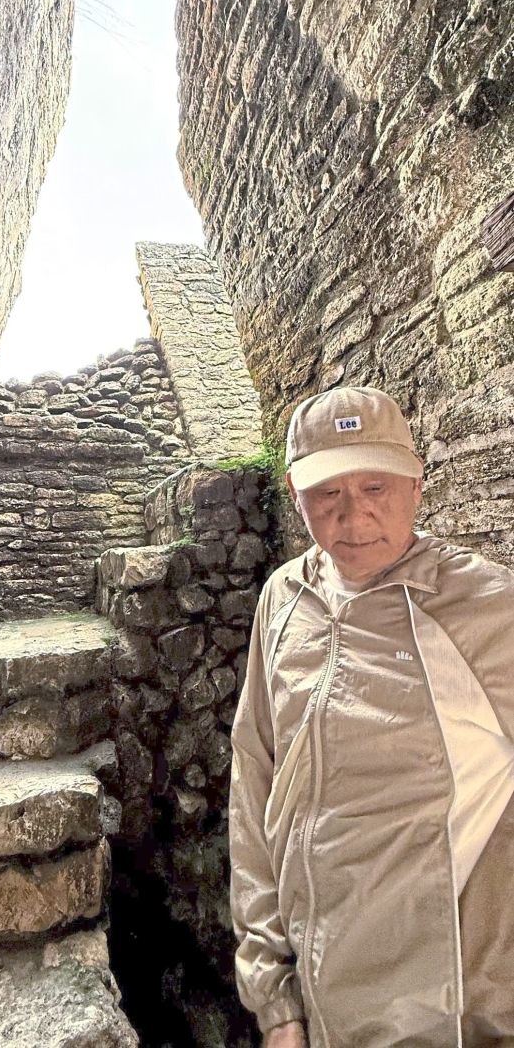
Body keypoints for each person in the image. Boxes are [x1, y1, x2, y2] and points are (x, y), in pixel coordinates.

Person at [229, 386, 514, 1048]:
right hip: (323, 988)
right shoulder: (284, 598)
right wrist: (272, 992)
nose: (351, 518)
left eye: (375, 488)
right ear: (296, 497)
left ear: (416, 484)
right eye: (325, 494)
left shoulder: (485, 605)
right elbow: (254, 780)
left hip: (455, 999)